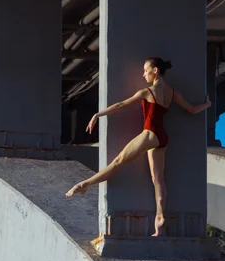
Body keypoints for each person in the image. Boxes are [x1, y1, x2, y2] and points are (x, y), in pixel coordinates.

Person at [65, 57, 211, 237]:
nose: (143, 74)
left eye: (146, 70)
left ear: (155, 71)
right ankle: (160, 219)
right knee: (158, 179)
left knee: (118, 162)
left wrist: (98, 114)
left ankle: (84, 184)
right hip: (162, 137)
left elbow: (121, 105)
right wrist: (207, 105)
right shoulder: (173, 93)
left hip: (149, 134)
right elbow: (192, 110)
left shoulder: (147, 92)